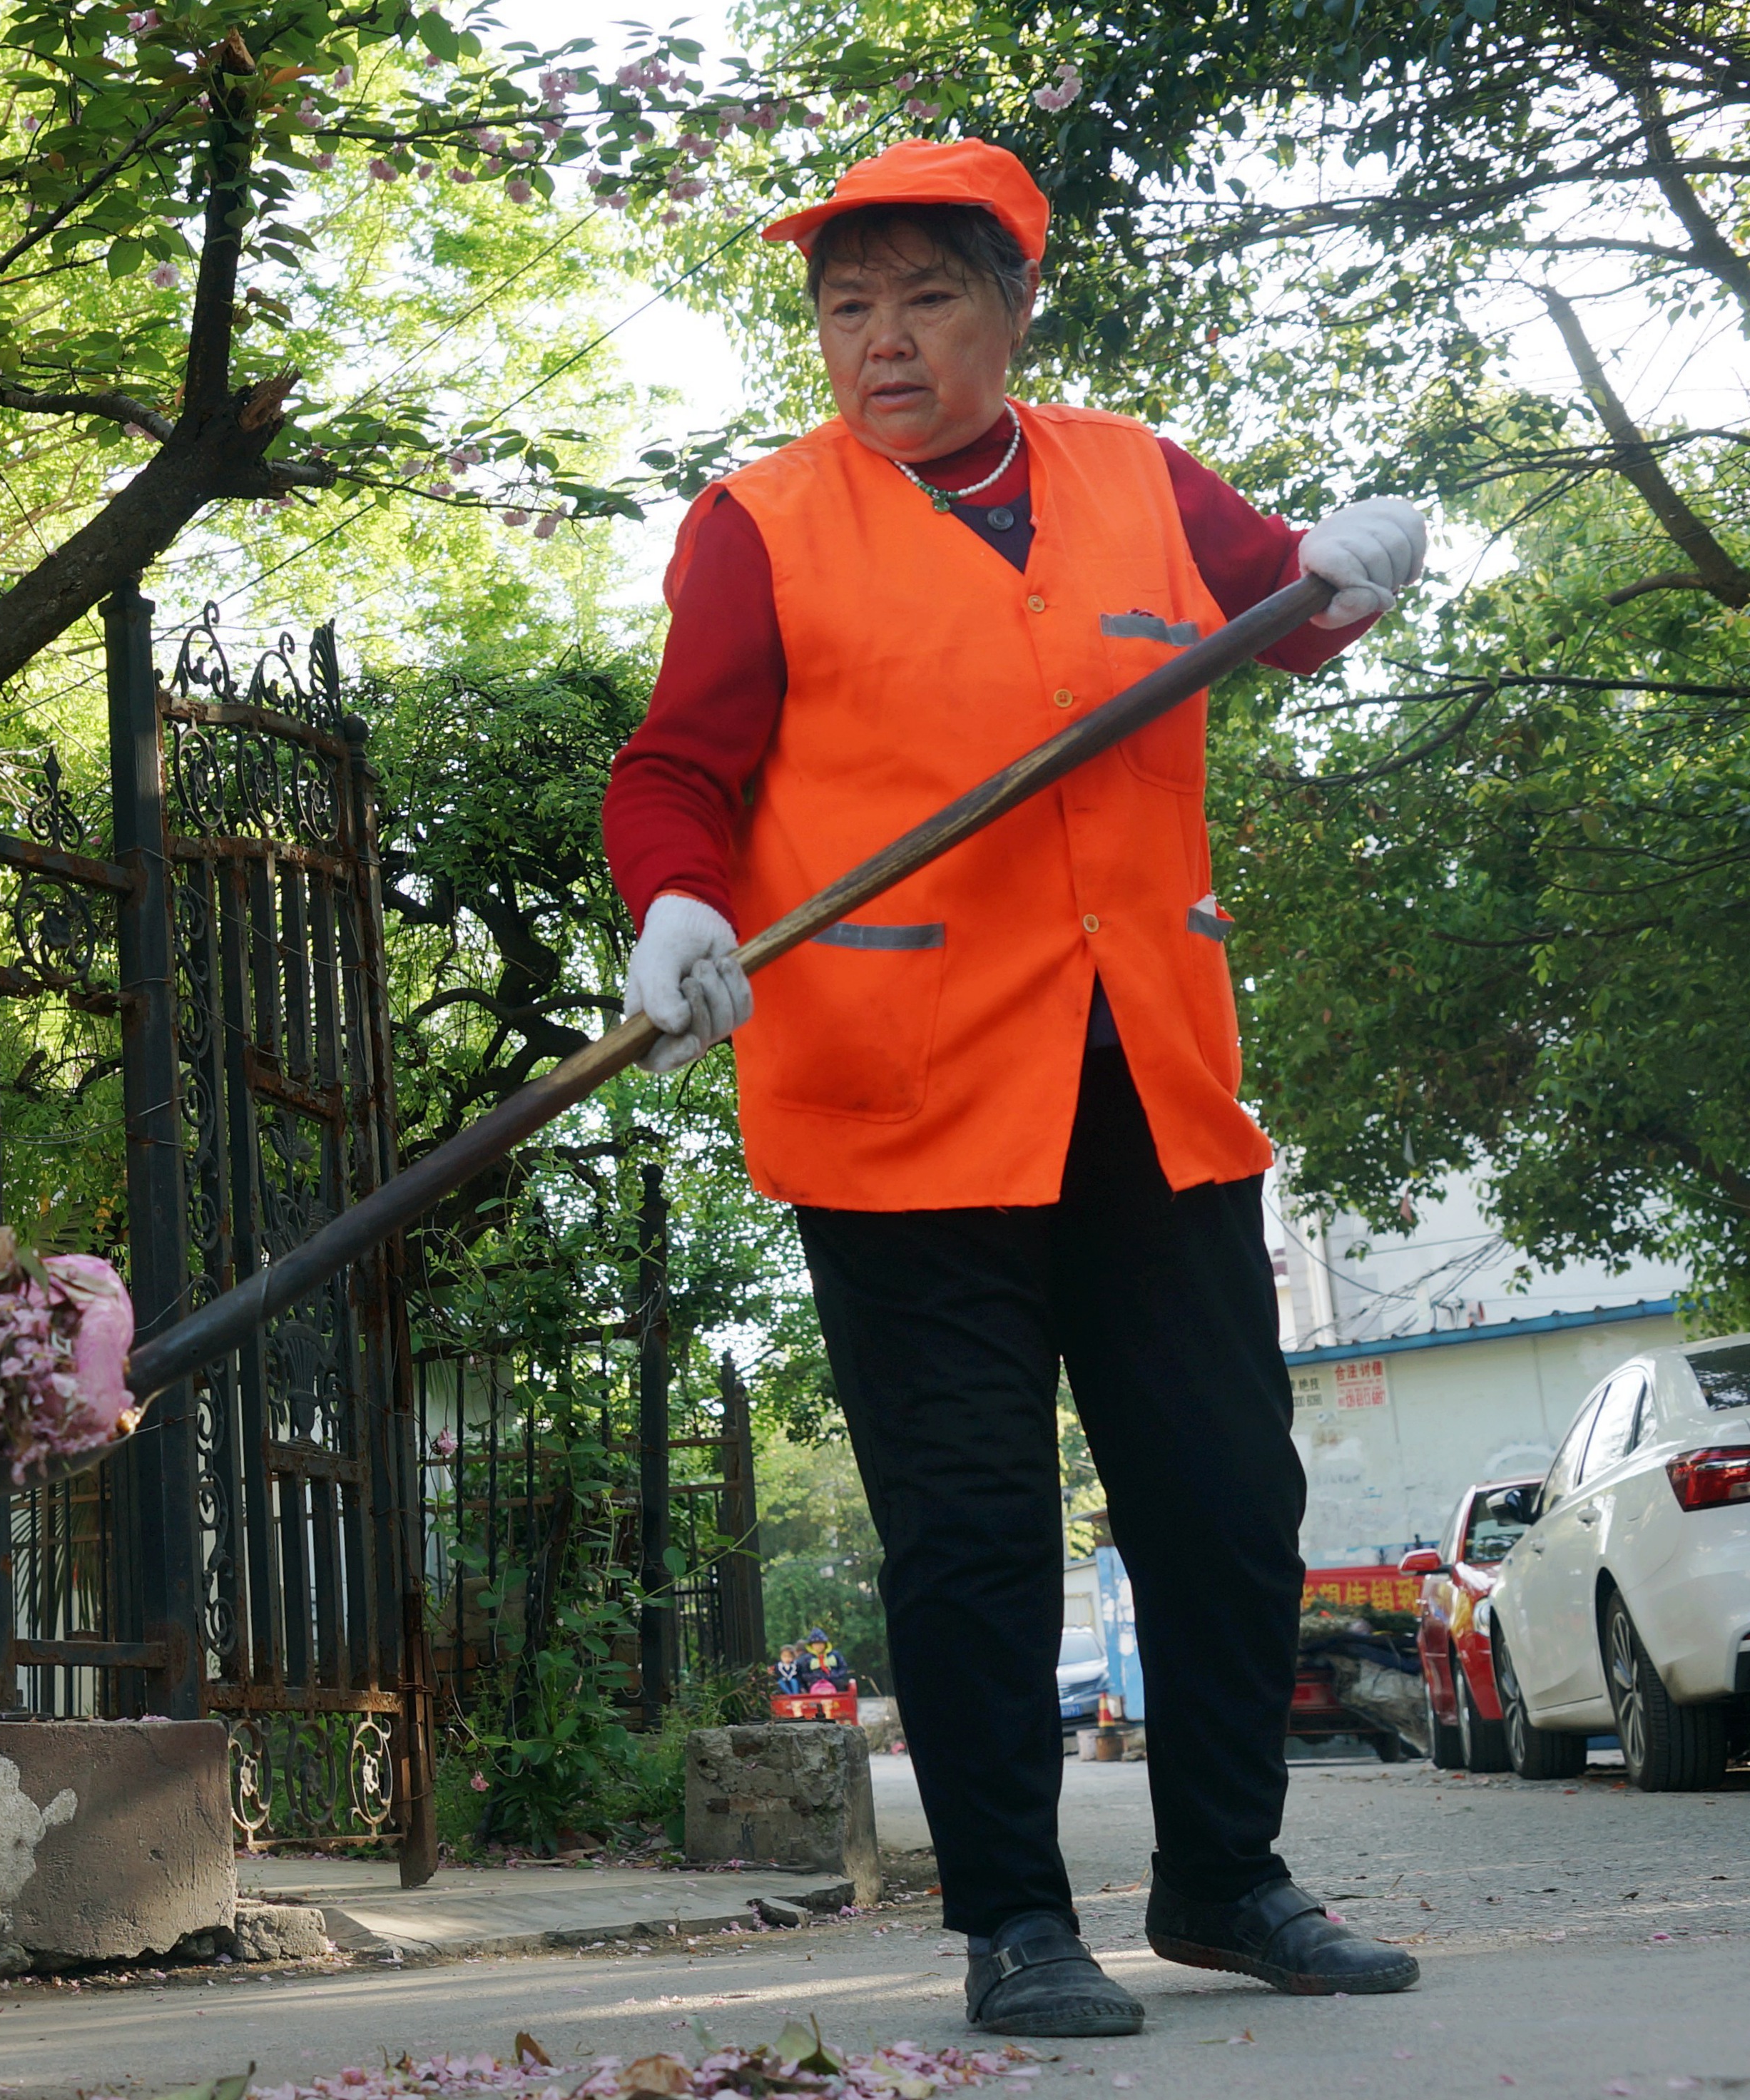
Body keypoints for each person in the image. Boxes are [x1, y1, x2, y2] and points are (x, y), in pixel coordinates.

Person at [601, 141, 1427, 2037]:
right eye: (842, 306)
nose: (878, 343)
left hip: (1147, 1081)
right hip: (902, 1106)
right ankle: (1017, 1926)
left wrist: (1352, 568)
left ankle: (1225, 1882)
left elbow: (1292, 613)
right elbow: (678, 767)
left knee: (1224, 1501)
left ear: (1011, 308)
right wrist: (675, 905)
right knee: (970, 1529)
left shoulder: (1134, 477)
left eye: (924, 298)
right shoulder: (763, 522)